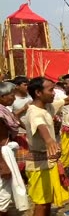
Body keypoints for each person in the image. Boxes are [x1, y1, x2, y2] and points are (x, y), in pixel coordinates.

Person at [24, 77, 69, 216]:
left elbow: (68, 100)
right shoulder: (34, 112)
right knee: (42, 203)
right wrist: (49, 140)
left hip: (48, 163)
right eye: (50, 90)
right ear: (38, 92)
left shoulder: (48, 107)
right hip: (38, 165)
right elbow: (41, 126)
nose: (54, 93)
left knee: (47, 201)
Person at [0, 82, 28, 214]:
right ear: (2, 97)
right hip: (3, 153)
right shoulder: (0, 115)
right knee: (4, 193)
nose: (14, 98)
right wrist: (3, 165)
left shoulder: (5, 110)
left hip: (6, 150)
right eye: (11, 95)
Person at [10, 76, 31, 172]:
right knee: (21, 159)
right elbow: (9, 116)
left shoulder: (30, 97)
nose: (27, 86)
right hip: (20, 132)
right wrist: (23, 109)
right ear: (17, 86)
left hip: (31, 131)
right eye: (25, 84)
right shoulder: (11, 99)